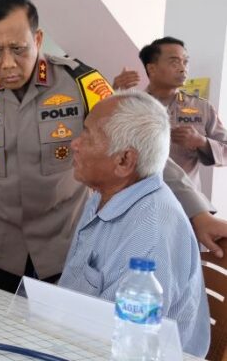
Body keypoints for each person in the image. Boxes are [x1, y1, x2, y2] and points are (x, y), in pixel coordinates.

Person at [0, 0, 225, 293]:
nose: (7, 64)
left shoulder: (80, 84)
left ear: (37, 40)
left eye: (19, 49)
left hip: (67, 251)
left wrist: (197, 211)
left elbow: (144, 145)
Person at [58, 91, 209, 357]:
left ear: (124, 161)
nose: (75, 144)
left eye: (87, 136)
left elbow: (125, 344)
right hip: (74, 340)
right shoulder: (104, 195)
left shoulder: (151, 233)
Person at [113, 37, 227, 189]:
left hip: (186, 204)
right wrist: (113, 93)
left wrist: (201, 142)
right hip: (138, 198)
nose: (182, 68)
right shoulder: (132, 104)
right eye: (174, 62)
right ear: (152, 68)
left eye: (185, 62)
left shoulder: (202, 108)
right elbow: (104, 142)